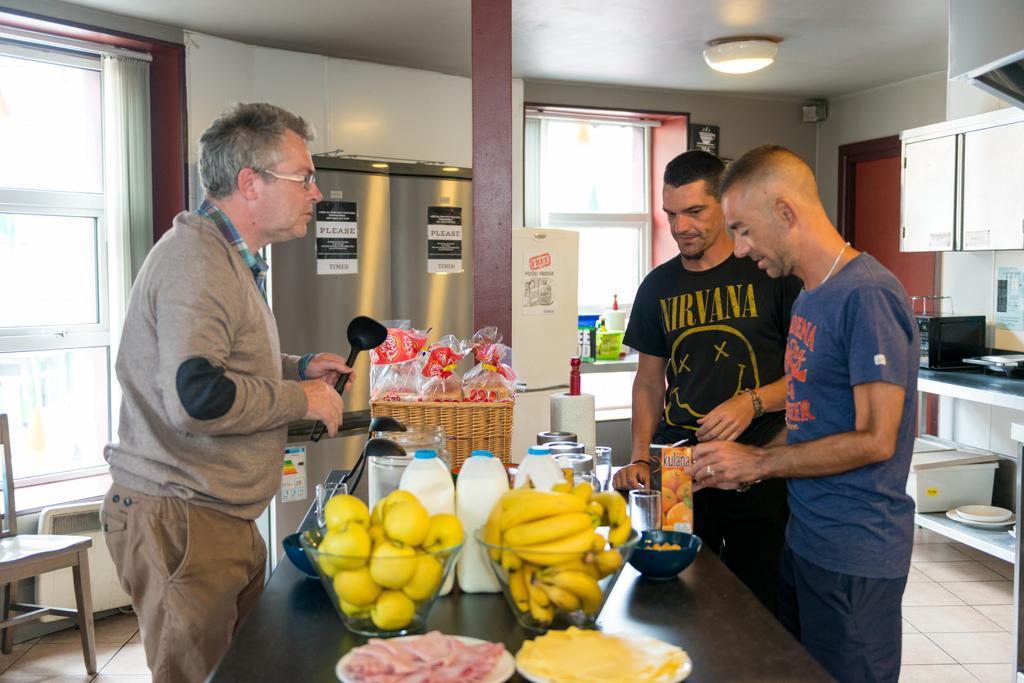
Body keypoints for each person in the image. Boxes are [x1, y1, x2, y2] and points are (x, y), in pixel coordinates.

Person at [101, 102, 351, 683]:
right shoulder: (198, 260)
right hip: (182, 517)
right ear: (250, 183)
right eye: (304, 177)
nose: (315, 193)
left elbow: (226, 360)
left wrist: (298, 368)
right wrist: (302, 401)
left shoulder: (228, 258)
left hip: (213, 515)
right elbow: (199, 397)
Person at [689, 144, 918, 683]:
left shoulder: (868, 294)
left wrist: (759, 465)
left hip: (855, 556)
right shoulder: (811, 296)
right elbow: (810, 413)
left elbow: (876, 439)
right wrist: (740, 462)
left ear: (786, 212)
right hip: (805, 541)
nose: (740, 249)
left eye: (743, 229)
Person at [613, 150, 801, 611]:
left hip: (756, 467)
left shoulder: (769, 273)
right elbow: (649, 383)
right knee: (678, 595)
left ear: (726, 205)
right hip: (678, 472)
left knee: (757, 602)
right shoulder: (657, 286)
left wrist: (751, 402)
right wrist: (640, 456)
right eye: (671, 214)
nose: (680, 227)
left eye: (694, 212)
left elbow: (809, 377)